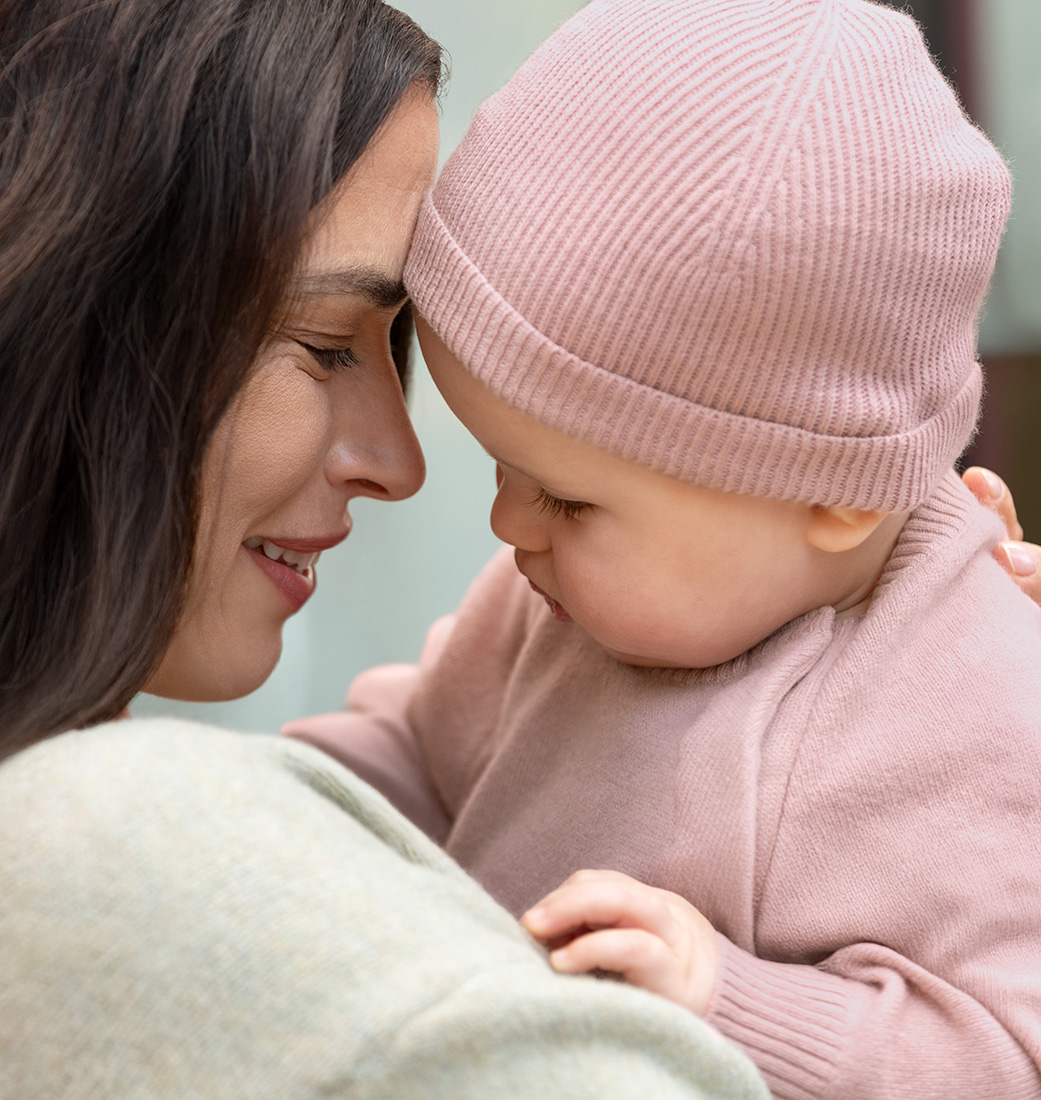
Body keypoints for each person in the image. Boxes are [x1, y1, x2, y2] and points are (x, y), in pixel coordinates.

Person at [284, 2, 1041, 1098]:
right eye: (500, 470)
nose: (506, 526)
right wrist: (252, 809)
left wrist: (725, 1000)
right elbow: (416, 753)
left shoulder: (963, 704)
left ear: (830, 487)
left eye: (566, 500)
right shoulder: (562, 604)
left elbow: (1035, 1059)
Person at [0, 2, 772, 1096]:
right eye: (322, 344)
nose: (398, 459)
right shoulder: (109, 831)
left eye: (393, 341)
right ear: (68, 313)